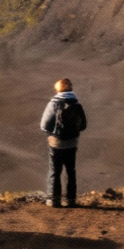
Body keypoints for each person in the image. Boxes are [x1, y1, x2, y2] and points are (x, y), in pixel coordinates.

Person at [39, 78, 88, 208]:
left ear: (58, 89)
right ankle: (71, 200)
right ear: (71, 88)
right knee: (71, 171)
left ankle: (54, 200)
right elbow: (83, 125)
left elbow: (44, 125)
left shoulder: (54, 103)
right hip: (72, 143)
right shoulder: (76, 104)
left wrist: (53, 133)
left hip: (56, 143)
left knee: (55, 170)